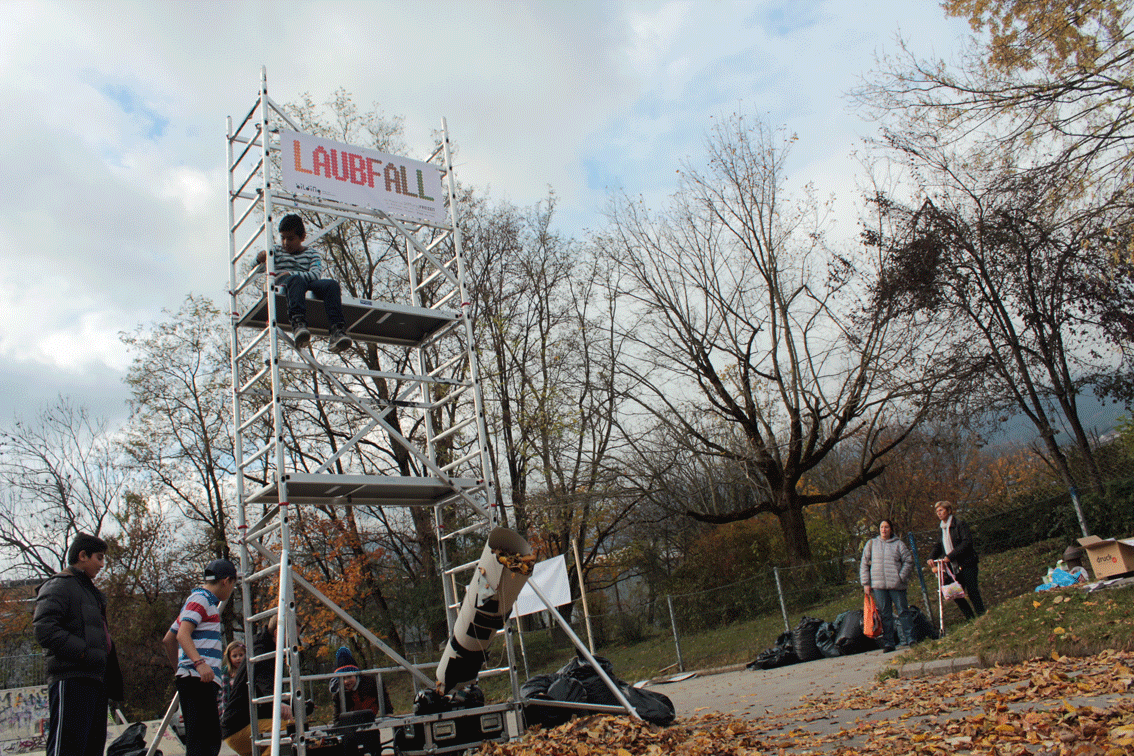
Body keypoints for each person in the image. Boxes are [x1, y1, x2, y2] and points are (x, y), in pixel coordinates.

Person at [33, 533, 124, 756]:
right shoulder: (60, 585)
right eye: (99, 558)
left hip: (96, 679)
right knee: (67, 748)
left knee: (92, 747)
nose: (102, 565)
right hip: (72, 679)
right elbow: (44, 629)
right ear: (82, 556)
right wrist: (83, 652)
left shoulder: (90, 592)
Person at [163, 559, 239, 756]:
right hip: (199, 678)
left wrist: (180, 670)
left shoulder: (196, 602)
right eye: (233, 584)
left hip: (193, 678)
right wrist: (198, 664)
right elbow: (182, 634)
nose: (231, 590)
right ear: (226, 581)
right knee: (205, 742)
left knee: (205, 739)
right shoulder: (201, 599)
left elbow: (168, 639)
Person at [255, 213, 353, 353]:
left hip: (305, 282)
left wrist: (292, 273)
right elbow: (257, 270)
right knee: (296, 280)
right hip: (286, 284)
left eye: (290, 238)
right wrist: (259, 260)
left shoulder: (312, 254)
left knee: (331, 285)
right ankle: (298, 323)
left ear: (302, 237)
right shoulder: (276, 251)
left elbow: (315, 274)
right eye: (282, 238)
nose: (285, 243)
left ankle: (337, 330)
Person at [221, 617, 292, 756]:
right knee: (288, 730)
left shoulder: (261, 647)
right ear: (278, 633)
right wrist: (277, 701)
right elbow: (264, 680)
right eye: (292, 636)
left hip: (238, 725)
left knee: (284, 729)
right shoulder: (261, 652)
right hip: (238, 727)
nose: (292, 642)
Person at [859, 519, 914, 652]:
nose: (884, 530)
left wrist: (900, 577)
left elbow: (908, 561)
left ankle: (911, 639)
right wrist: (866, 583)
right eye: (882, 527)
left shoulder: (898, 544)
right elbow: (864, 564)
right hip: (879, 586)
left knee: (903, 611)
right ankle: (889, 643)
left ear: (891, 529)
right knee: (885, 615)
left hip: (896, 585)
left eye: (887, 527)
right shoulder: (872, 544)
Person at [927, 500, 986, 619]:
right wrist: (931, 557)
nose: (939, 513)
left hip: (967, 562)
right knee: (955, 593)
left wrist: (951, 556)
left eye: (941, 510)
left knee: (972, 590)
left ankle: (982, 615)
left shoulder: (959, 524)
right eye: (937, 511)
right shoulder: (941, 529)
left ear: (948, 511)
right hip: (953, 567)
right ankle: (970, 618)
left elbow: (966, 542)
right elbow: (939, 545)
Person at [329, 646, 393, 721]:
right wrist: (337, 724)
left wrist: (388, 712)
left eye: (349, 677)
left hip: (370, 717)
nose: (346, 681)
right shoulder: (338, 692)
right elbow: (337, 712)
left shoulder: (370, 683)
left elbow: (384, 696)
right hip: (352, 722)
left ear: (356, 675)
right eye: (342, 678)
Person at [219, 640, 246, 718]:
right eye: (234, 656)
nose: (238, 658)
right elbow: (225, 694)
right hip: (230, 704)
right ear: (229, 658)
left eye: (241, 655)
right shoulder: (226, 673)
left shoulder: (248, 670)